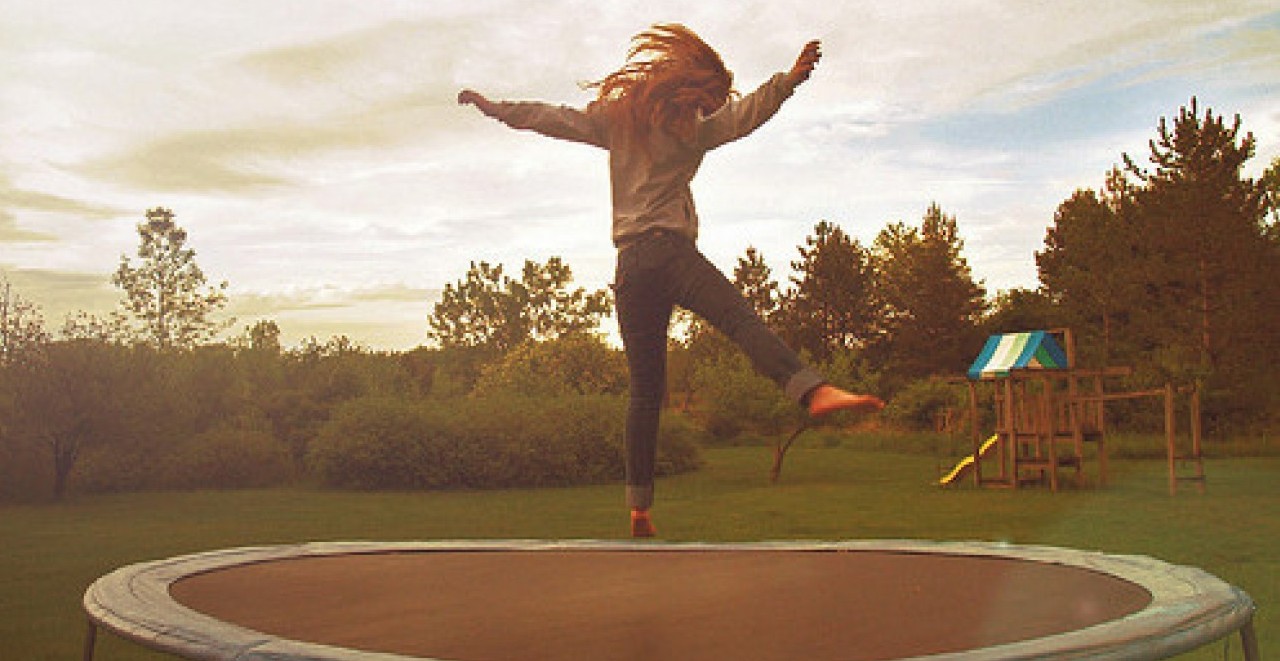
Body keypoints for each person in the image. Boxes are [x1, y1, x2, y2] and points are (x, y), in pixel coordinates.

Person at [459, 24, 884, 537]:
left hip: (630, 267)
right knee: (736, 318)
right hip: (670, 252)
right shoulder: (694, 130)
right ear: (690, 91)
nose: (707, 109)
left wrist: (498, 109)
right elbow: (745, 116)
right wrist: (788, 80)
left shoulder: (616, 122)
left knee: (645, 389)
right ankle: (810, 390)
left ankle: (639, 507)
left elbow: (554, 119)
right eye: (707, 98)